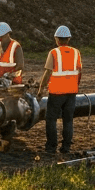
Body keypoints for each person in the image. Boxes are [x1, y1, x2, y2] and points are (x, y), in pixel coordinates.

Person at [36, 26, 81, 157]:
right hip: (71, 93)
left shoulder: (54, 53)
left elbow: (48, 72)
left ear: (56, 39)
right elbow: (80, 71)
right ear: (68, 39)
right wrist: (75, 85)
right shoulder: (76, 52)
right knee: (68, 120)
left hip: (56, 93)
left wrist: (41, 89)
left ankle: (51, 147)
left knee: (51, 120)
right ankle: (66, 147)